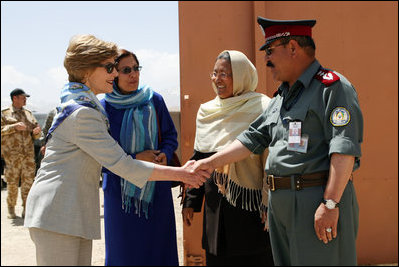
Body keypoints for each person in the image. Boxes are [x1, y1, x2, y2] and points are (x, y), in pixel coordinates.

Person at [23, 34, 209, 266]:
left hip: (69, 213)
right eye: (110, 67)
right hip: (60, 213)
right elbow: (123, 165)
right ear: (87, 70)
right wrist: (182, 174)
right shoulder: (84, 113)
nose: (115, 73)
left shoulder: (83, 103)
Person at [191, 17, 363, 266]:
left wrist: (331, 203)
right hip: (281, 205)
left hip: (315, 202)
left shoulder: (332, 89)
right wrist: (208, 163)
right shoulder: (281, 97)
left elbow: (344, 150)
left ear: (293, 48)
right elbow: (251, 139)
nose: (266, 59)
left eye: (271, 51)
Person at [182, 50, 274, 266]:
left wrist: (269, 201)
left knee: (256, 256)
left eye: (225, 74)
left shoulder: (263, 107)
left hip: (252, 208)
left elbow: (272, 157)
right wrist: (192, 200)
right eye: (215, 74)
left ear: (242, 76)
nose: (217, 80)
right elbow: (200, 156)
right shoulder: (207, 111)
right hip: (217, 206)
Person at [99, 49, 179, 265]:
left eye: (136, 68)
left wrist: (165, 153)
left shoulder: (154, 100)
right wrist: (135, 157)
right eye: (126, 70)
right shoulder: (103, 109)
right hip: (120, 194)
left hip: (156, 188)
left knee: (159, 248)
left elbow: (170, 135)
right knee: (124, 252)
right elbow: (100, 156)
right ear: (114, 74)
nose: (134, 75)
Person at [1, 88, 42, 219]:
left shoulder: (28, 114)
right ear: (15, 98)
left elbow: (36, 132)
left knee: (28, 182)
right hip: (12, 156)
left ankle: (27, 209)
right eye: (23, 97)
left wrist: (37, 132)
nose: (25, 100)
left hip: (28, 155)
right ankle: (11, 209)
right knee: (12, 183)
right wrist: (13, 127)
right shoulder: (4, 113)